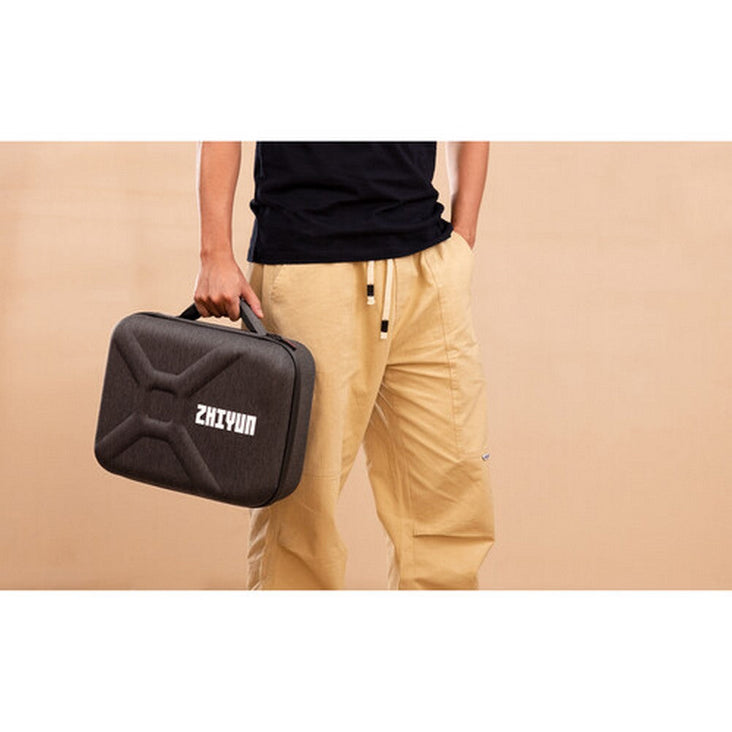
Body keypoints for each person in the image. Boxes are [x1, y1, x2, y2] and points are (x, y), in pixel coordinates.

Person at [193, 141, 495, 590]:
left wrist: (462, 239)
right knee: (300, 514)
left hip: (426, 271)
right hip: (310, 269)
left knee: (450, 501)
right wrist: (214, 253)